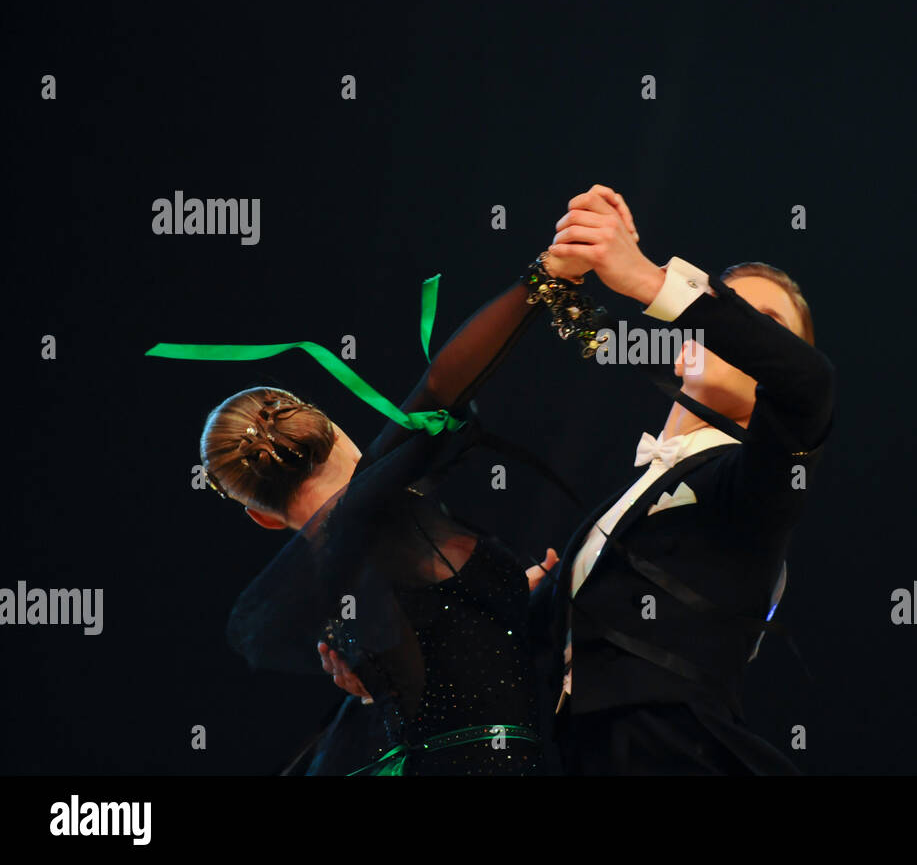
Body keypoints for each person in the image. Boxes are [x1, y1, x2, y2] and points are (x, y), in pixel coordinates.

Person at [195, 247, 597, 775]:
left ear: (262, 516)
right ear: (329, 428)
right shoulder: (368, 509)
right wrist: (543, 280)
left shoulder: (334, 582)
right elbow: (439, 387)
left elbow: (446, 668)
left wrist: (510, 604)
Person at [529, 185, 835, 774]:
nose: (739, 329)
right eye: (729, 313)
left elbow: (809, 383)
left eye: (763, 324)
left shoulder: (761, 485)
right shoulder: (619, 509)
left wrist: (645, 277)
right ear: (682, 349)